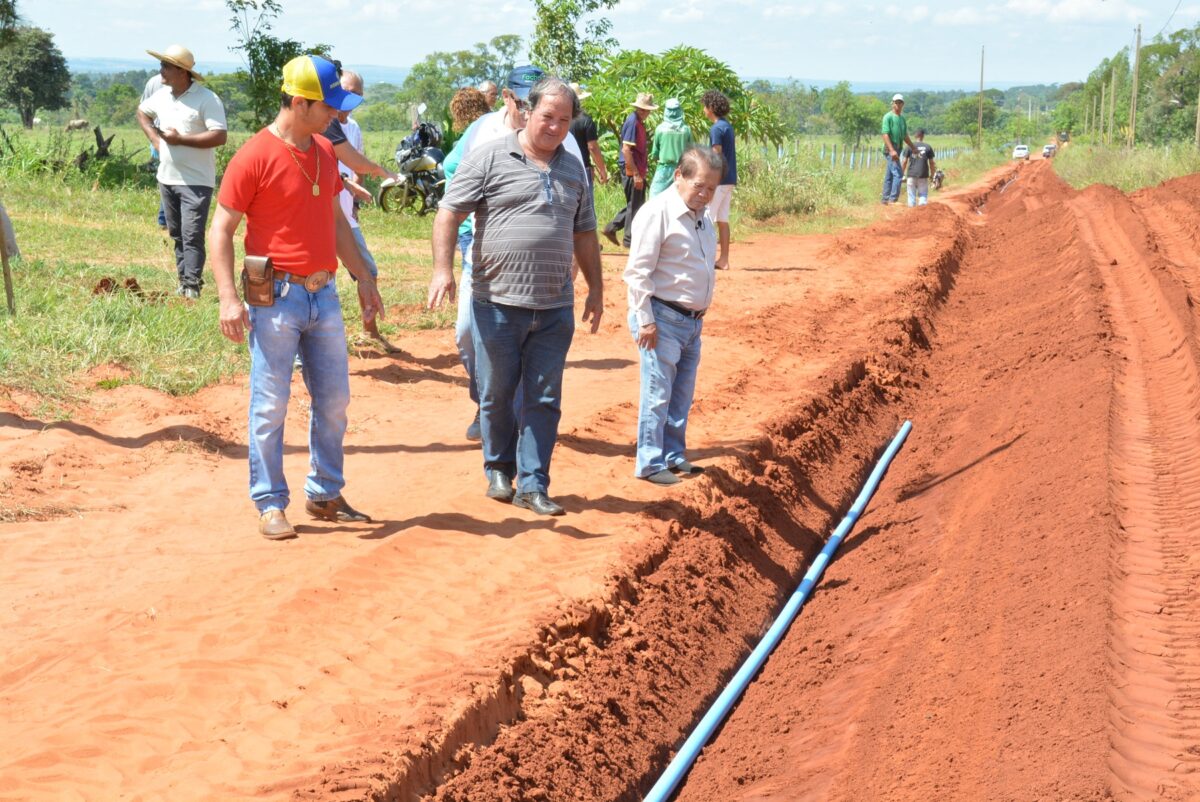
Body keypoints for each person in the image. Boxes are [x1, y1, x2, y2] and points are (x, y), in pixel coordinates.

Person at [208, 54, 384, 540]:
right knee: (270, 405)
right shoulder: (254, 155)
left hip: (323, 295)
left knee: (335, 401)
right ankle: (269, 502)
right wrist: (228, 297)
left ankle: (325, 493)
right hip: (275, 298)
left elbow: (334, 219)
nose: (337, 115)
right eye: (329, 107)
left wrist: (362, 276)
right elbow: (220, 229)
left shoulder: (325, 151)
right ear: (301, 102)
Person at [428, 77, 603, 517]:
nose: (556, 127)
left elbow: (585, 232)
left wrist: (596, 287)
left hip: (554, 305)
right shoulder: (489, 156)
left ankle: (534, 484)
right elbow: (450, 211)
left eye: (565, 120)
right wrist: (442, 269)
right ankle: (498, 468)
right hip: (497, 302)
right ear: (528, 111)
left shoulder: (573, 169)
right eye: (548, 117)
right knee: (497, 392)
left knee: (544, 398)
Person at [441, 65, 587, 442]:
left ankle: (517, 423)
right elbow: (452, 169)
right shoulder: (483, 130)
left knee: (531, 347)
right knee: (467, 335)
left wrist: (572, 261)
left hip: (544, 271)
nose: (528, 112)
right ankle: (489, 403)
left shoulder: (563, 139)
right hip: (482, 253)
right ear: (508, 97)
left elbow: (578, 204)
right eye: (521, 102)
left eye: (532, 103)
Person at [624, 147, 723, 485]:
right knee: (658, 392)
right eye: (699, 186)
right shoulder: (658, 213)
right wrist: (646, 320)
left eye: (711, 188)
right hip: (662, 318)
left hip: (692, 322)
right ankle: (650, 463)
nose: (705, 194)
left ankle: (673, 454)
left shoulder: (701, 215)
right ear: (679, 175)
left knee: (681, 393)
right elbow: (637, 272)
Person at [136, 44, 227, 299]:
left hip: (196, 181)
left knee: (192, 234)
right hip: (167, 177)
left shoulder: (207, 99)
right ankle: (183, 281)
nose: (161, 71)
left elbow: (219, 136)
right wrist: (156, 141)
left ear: (181, 71)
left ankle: (192, 285)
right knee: (177, 233)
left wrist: (180, 140)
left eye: (165, 66)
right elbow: (142, 112)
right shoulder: (163, 95)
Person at [334, 69, 398, 351]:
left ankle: (370, 331)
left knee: (366, 273)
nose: (352, 97)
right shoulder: (323, 127)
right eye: (347, 91)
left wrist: (355, 195)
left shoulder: (353, 128)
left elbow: (355, 167)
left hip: (345, 217)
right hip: (324, 216)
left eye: (357, 93)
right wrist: (349, 184)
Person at [602, 93, 656, 248]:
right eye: (647, 110)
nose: (648, 113)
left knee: (637, 204)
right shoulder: (633, 122)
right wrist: (636, 174)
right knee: (635, 204)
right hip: (632, 168)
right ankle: (628, 240)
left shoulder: (636, 121)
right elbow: (626, 150)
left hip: (636, 167)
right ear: (642, 110)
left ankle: (612, 228)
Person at [702, 89, 737, 270]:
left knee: (707, 217)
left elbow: (716, 153)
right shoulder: (727, 126)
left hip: (720, 180)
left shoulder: (716, 128)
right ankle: (723, 259)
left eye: (704, 107)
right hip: (730, 178)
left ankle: (707, 258)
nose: (704, 110)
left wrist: (710, 177)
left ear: (710, 108)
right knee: (723, 220)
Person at [649, 98, 692, 197]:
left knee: (654, 196)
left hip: (664, 168)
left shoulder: (660, 129)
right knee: (679, 197)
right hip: (681, 168)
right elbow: (691, 151)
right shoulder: (686, 130)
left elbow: (655, 153)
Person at [569, 82, 608, 189]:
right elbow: (593, 147)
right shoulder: (586, 120)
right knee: (585, 204)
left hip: (563, 166)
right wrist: (602, 170)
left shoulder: (561, 119)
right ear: (581, 100)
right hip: (582, 169)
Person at [880, 93, 916, 206]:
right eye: (896, 102)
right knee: (898, 174)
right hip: (890, 147)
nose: (898, 104)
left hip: (898, 148)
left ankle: (885, 199)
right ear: (892, 103)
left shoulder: (902, 119)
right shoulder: (888, 117)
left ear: (903, 104)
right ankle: (893, 200)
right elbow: (885, 134)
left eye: (900, 102)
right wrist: (891, 150)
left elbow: (905, 135)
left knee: (890, 174)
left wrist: (913, 147)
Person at [141, 73, 167, 228]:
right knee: (166, 176)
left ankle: (165, 219)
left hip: (160, 136)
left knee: (166, 176)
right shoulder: (155, 82)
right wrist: (155, 138)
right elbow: (143, 110)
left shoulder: (153, 81)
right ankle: (164, 219)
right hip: (160, 136)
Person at [901, 128, 937, 207]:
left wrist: (901, 173)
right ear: (923, 136)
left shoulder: (909, 146)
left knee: (911, 196)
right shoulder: (928, 147)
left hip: (911, 175)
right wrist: (933, 174)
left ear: (915, 136)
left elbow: (904, 161)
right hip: (923, 175)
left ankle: (912, 211)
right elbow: (931, 163)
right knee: (923, 194)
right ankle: (922, 211)